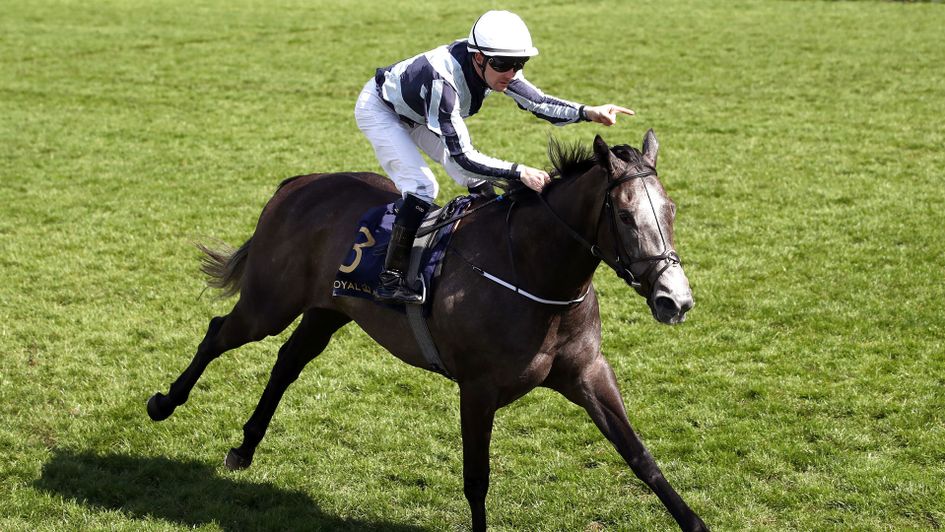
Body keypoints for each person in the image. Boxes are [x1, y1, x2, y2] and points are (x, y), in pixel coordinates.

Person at [354, 10, 634, 304]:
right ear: (478, 58)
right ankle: (391, 277)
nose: (511, 73)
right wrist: (519, 172)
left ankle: (488, 246)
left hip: (420, 112)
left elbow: (538, 102)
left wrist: (589, 111)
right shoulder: (443, 83)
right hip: (383, 111)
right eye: (503, 65)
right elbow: (463, 156)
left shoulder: (497, 64)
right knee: (423, 187)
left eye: (519, 64)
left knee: (475, 179)